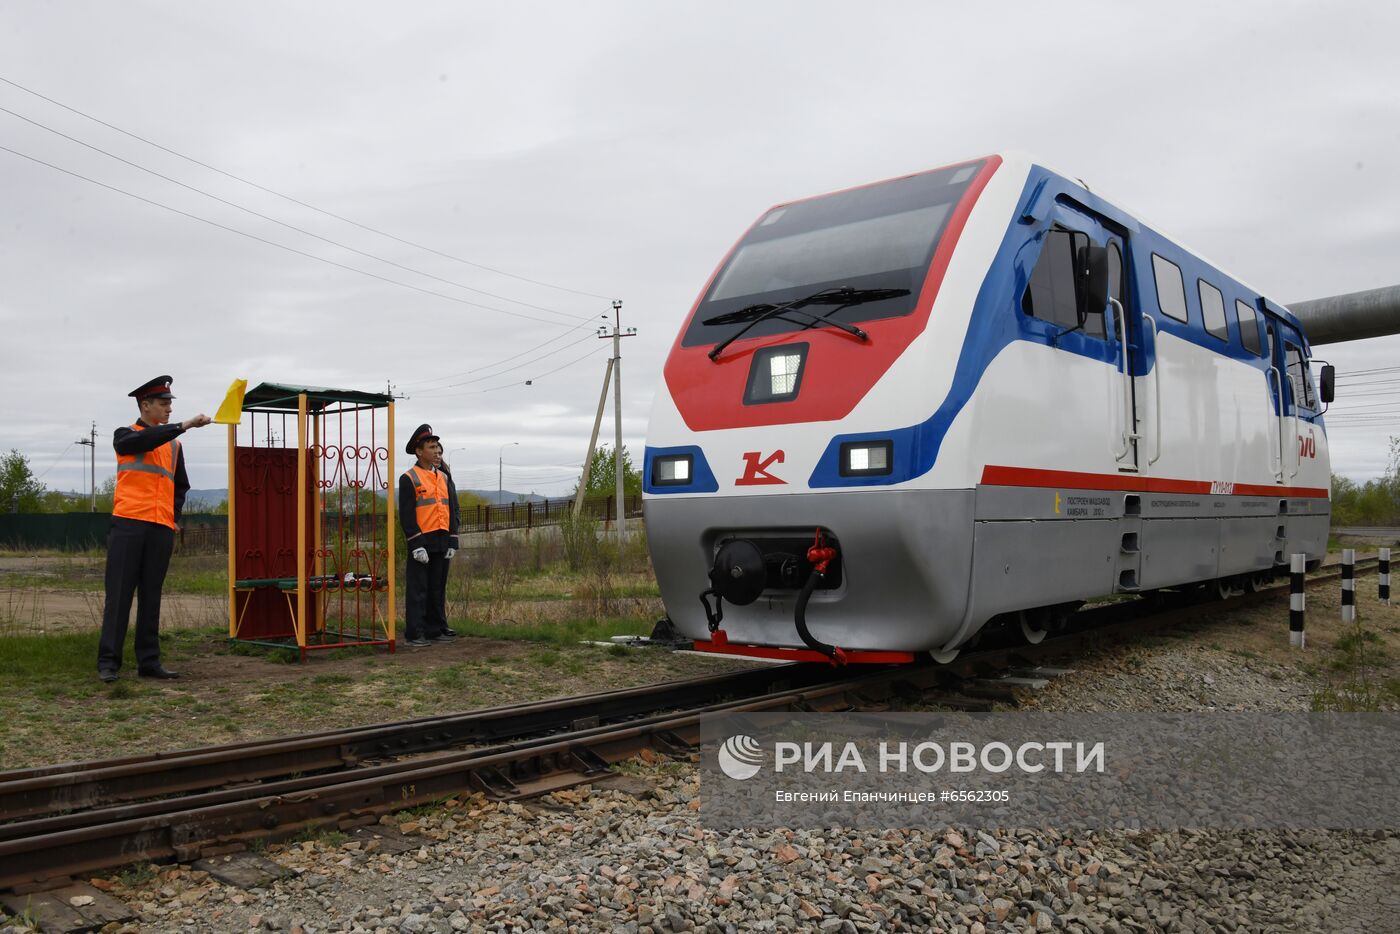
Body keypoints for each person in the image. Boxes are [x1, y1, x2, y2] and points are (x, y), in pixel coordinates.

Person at [97, 376, 212, 682]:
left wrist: (172, 515)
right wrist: (185, 425)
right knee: (119, 595)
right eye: (163, 403)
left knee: (152, 596)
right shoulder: (126, 435)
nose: (169, 409)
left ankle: (149, 662)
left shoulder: (173, 446)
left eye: (171, 404)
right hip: (129, 525)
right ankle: (108, 663)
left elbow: (181, 486)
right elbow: (142, 442)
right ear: (145, 405)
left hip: (160, 528)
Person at [398, 424, 460, 647]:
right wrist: (416, 543)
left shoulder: (443, 477)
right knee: (418, 589)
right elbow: (406, 514)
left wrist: (453, 539)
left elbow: (451, 508)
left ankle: (435, 629)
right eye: (431, 447)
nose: (436, 451)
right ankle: (415, 632)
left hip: (442, 538)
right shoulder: (409, 478)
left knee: (437, 587)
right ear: (419, 451)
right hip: (422, 541)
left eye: (437, 447)